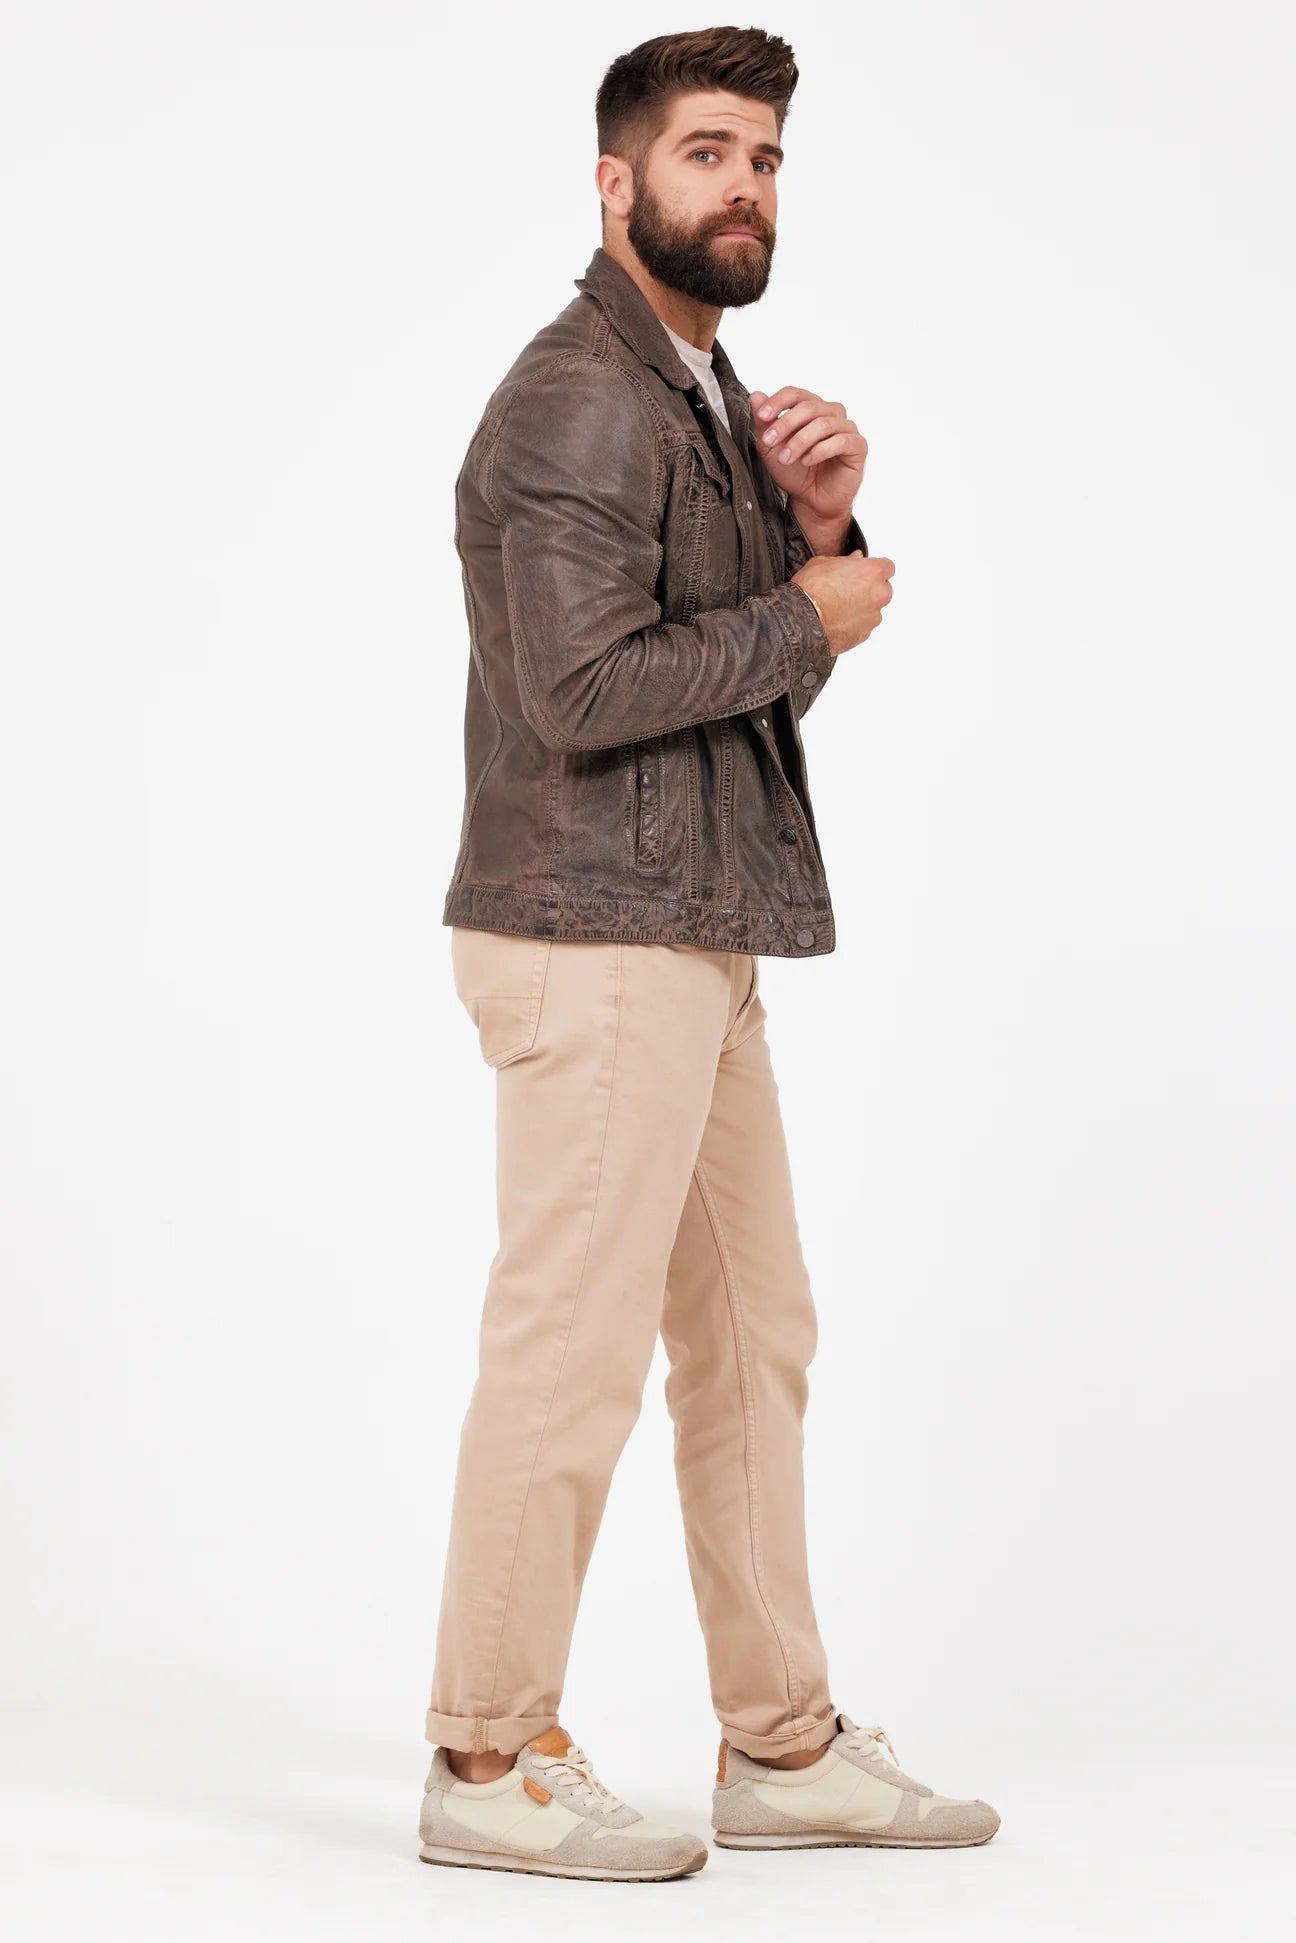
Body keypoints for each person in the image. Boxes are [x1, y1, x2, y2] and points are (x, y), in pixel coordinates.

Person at [418, 25, 999, 1882]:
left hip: (688, 935)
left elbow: (710, 676)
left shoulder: (694, 387)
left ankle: (783, 1743)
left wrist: (808, 534)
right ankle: (485, 1757)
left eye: (764, 158)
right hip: (589, 941)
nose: (743, 187)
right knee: (572, 1349)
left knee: (753, 1338)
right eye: (706, 153)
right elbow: (582, 691)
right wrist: (812, 611)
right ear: (617, 183)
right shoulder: (578, 397)